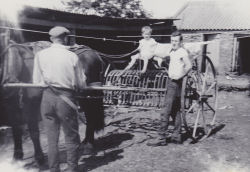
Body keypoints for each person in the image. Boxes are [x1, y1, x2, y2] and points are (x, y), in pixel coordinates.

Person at [33, 26, 86, 172]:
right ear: (66, 38)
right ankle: (72, 168)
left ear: (51, 39)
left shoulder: (40, 55)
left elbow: (37, 81)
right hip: (65, 99)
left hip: (46, 98)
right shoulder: (72, 56)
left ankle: (54, 169)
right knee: (71, 136)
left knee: (51, 139)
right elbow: (81, 83)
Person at [147, 31, 192, 146]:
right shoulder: (173, 52)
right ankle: (176, 136)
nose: (174, 43)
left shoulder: (182, 52)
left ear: (180, 42)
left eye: (176, 41)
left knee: (165, 111)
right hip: (171, 82)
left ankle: (161, 138)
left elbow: (189, 66)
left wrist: (180, 75)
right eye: (172, 41)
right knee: (175, 110)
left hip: (175, 83)